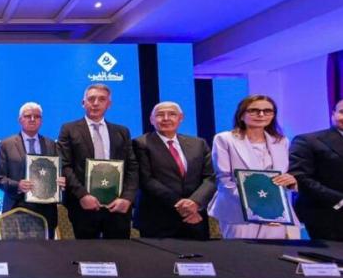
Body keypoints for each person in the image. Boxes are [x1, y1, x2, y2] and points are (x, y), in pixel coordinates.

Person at [208, 95, 299, 239]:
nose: (261, 114)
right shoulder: (225, 139)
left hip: (275, 212)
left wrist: (290, 181)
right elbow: (225, 180)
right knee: (242, 257)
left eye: (267, 111)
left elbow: (282, 175)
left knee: (273, 257)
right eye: (254, 110)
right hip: (238, 211)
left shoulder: (281, 141)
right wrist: (259, 207)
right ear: (241, 115)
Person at [57, 84, 139, 239]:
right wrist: (82, 195)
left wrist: (127, 198)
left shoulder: (122, 131)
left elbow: (132, 167)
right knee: (87, 255)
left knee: (120, 255)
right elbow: (65, 165)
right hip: (83, 205)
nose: (96, 103)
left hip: (117, 205)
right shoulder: (69, 129)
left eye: (102, 99)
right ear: (83, 103)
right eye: (91, 99)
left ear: (109, 104)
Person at [132, 101, 215, 239]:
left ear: (180, 118)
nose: (166, 118)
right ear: (151, 120)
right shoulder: (140, 143)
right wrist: (182, 206)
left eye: (172, 114)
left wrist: (195, 202)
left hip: (195, 216)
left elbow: (211, 177)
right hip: (158, 218)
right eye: (160, 115)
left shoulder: (198, 144)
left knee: (199, 258)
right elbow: (146, 180)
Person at [0, 102, 65, 238]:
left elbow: (58, 173)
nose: (32, 119)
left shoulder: (52, 145)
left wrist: (60, 182)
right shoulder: (7, 145)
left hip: (46, 211)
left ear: (41, 120)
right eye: (28, 116)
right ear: (20, 119)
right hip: (17, 208)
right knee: (18, 256)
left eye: (37, 116)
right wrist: (18, 186)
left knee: (44, 256)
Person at [289, 99, 343, 240]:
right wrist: (340, 200)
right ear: (333, 114)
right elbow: (299, 176)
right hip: (327, 215)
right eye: (342, 112)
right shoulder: (308, 140)